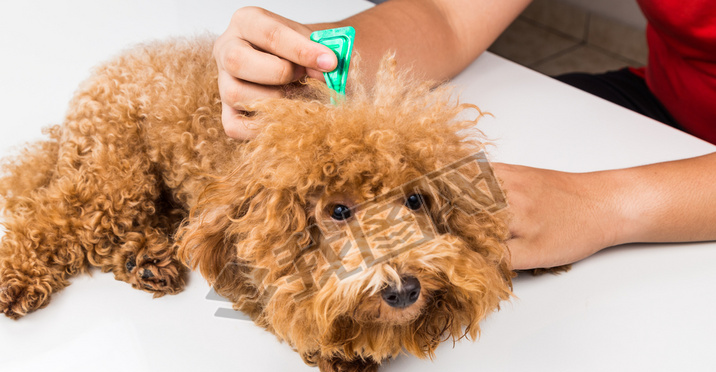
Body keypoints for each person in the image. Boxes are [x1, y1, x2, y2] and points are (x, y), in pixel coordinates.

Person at [213, 0, 716, 270]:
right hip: (663, 99)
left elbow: (593, 207)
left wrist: (603, 206)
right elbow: (449, 13)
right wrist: (319, 57)